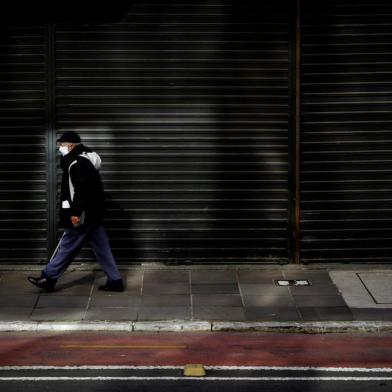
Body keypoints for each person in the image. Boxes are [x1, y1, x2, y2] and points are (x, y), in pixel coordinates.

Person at [28, 131, 124, 292]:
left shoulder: (76, 163)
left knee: (67, 245)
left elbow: (82, 190)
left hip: (82, 214)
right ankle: (115, 281)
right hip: (93, 213)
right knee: (102, 248)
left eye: (62, 145)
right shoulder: (86, 159)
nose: (60, 148)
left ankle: (49, 278)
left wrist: (75, 213)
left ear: (71, 145)